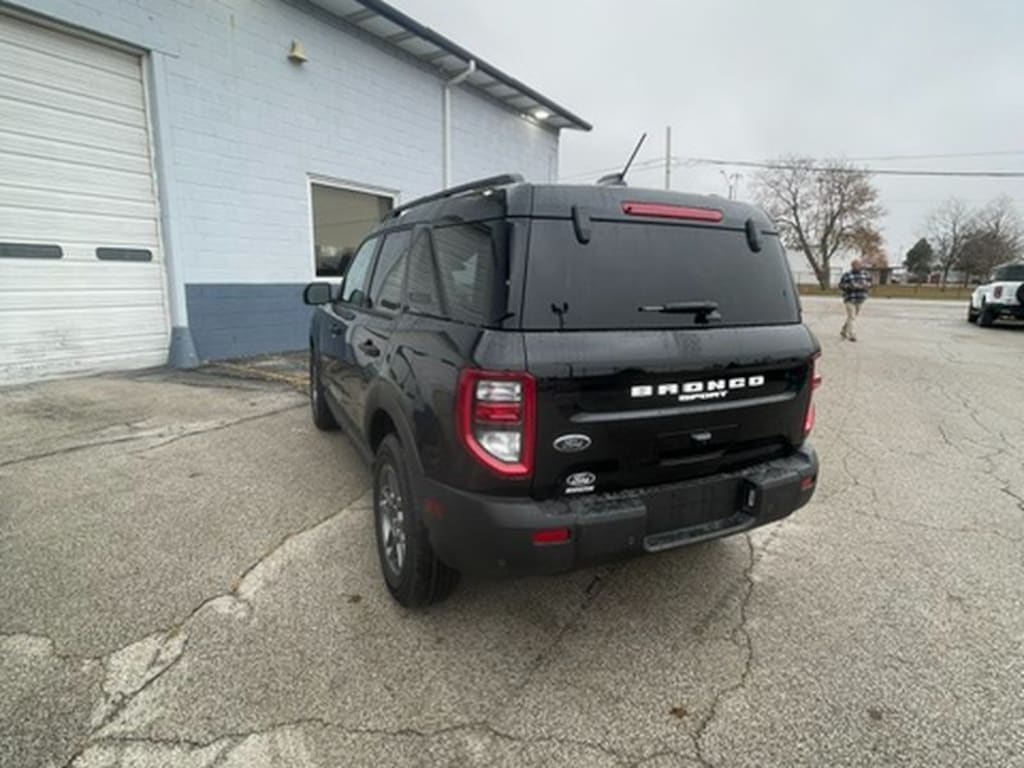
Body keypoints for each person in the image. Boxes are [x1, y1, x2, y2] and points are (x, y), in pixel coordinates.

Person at [839, 259, 872, 341]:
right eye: (856, 265)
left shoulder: (865, 274)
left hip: (860, 299)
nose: (858, 266)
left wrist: (866, 285)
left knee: (852, 317)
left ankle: (844, 330)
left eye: (859, 265)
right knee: (851, 316)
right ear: (852, 266)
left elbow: (870, 283)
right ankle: (852, 335)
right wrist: (850, 286)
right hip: (850, 298)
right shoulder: (847, 275)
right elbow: (841, 285)